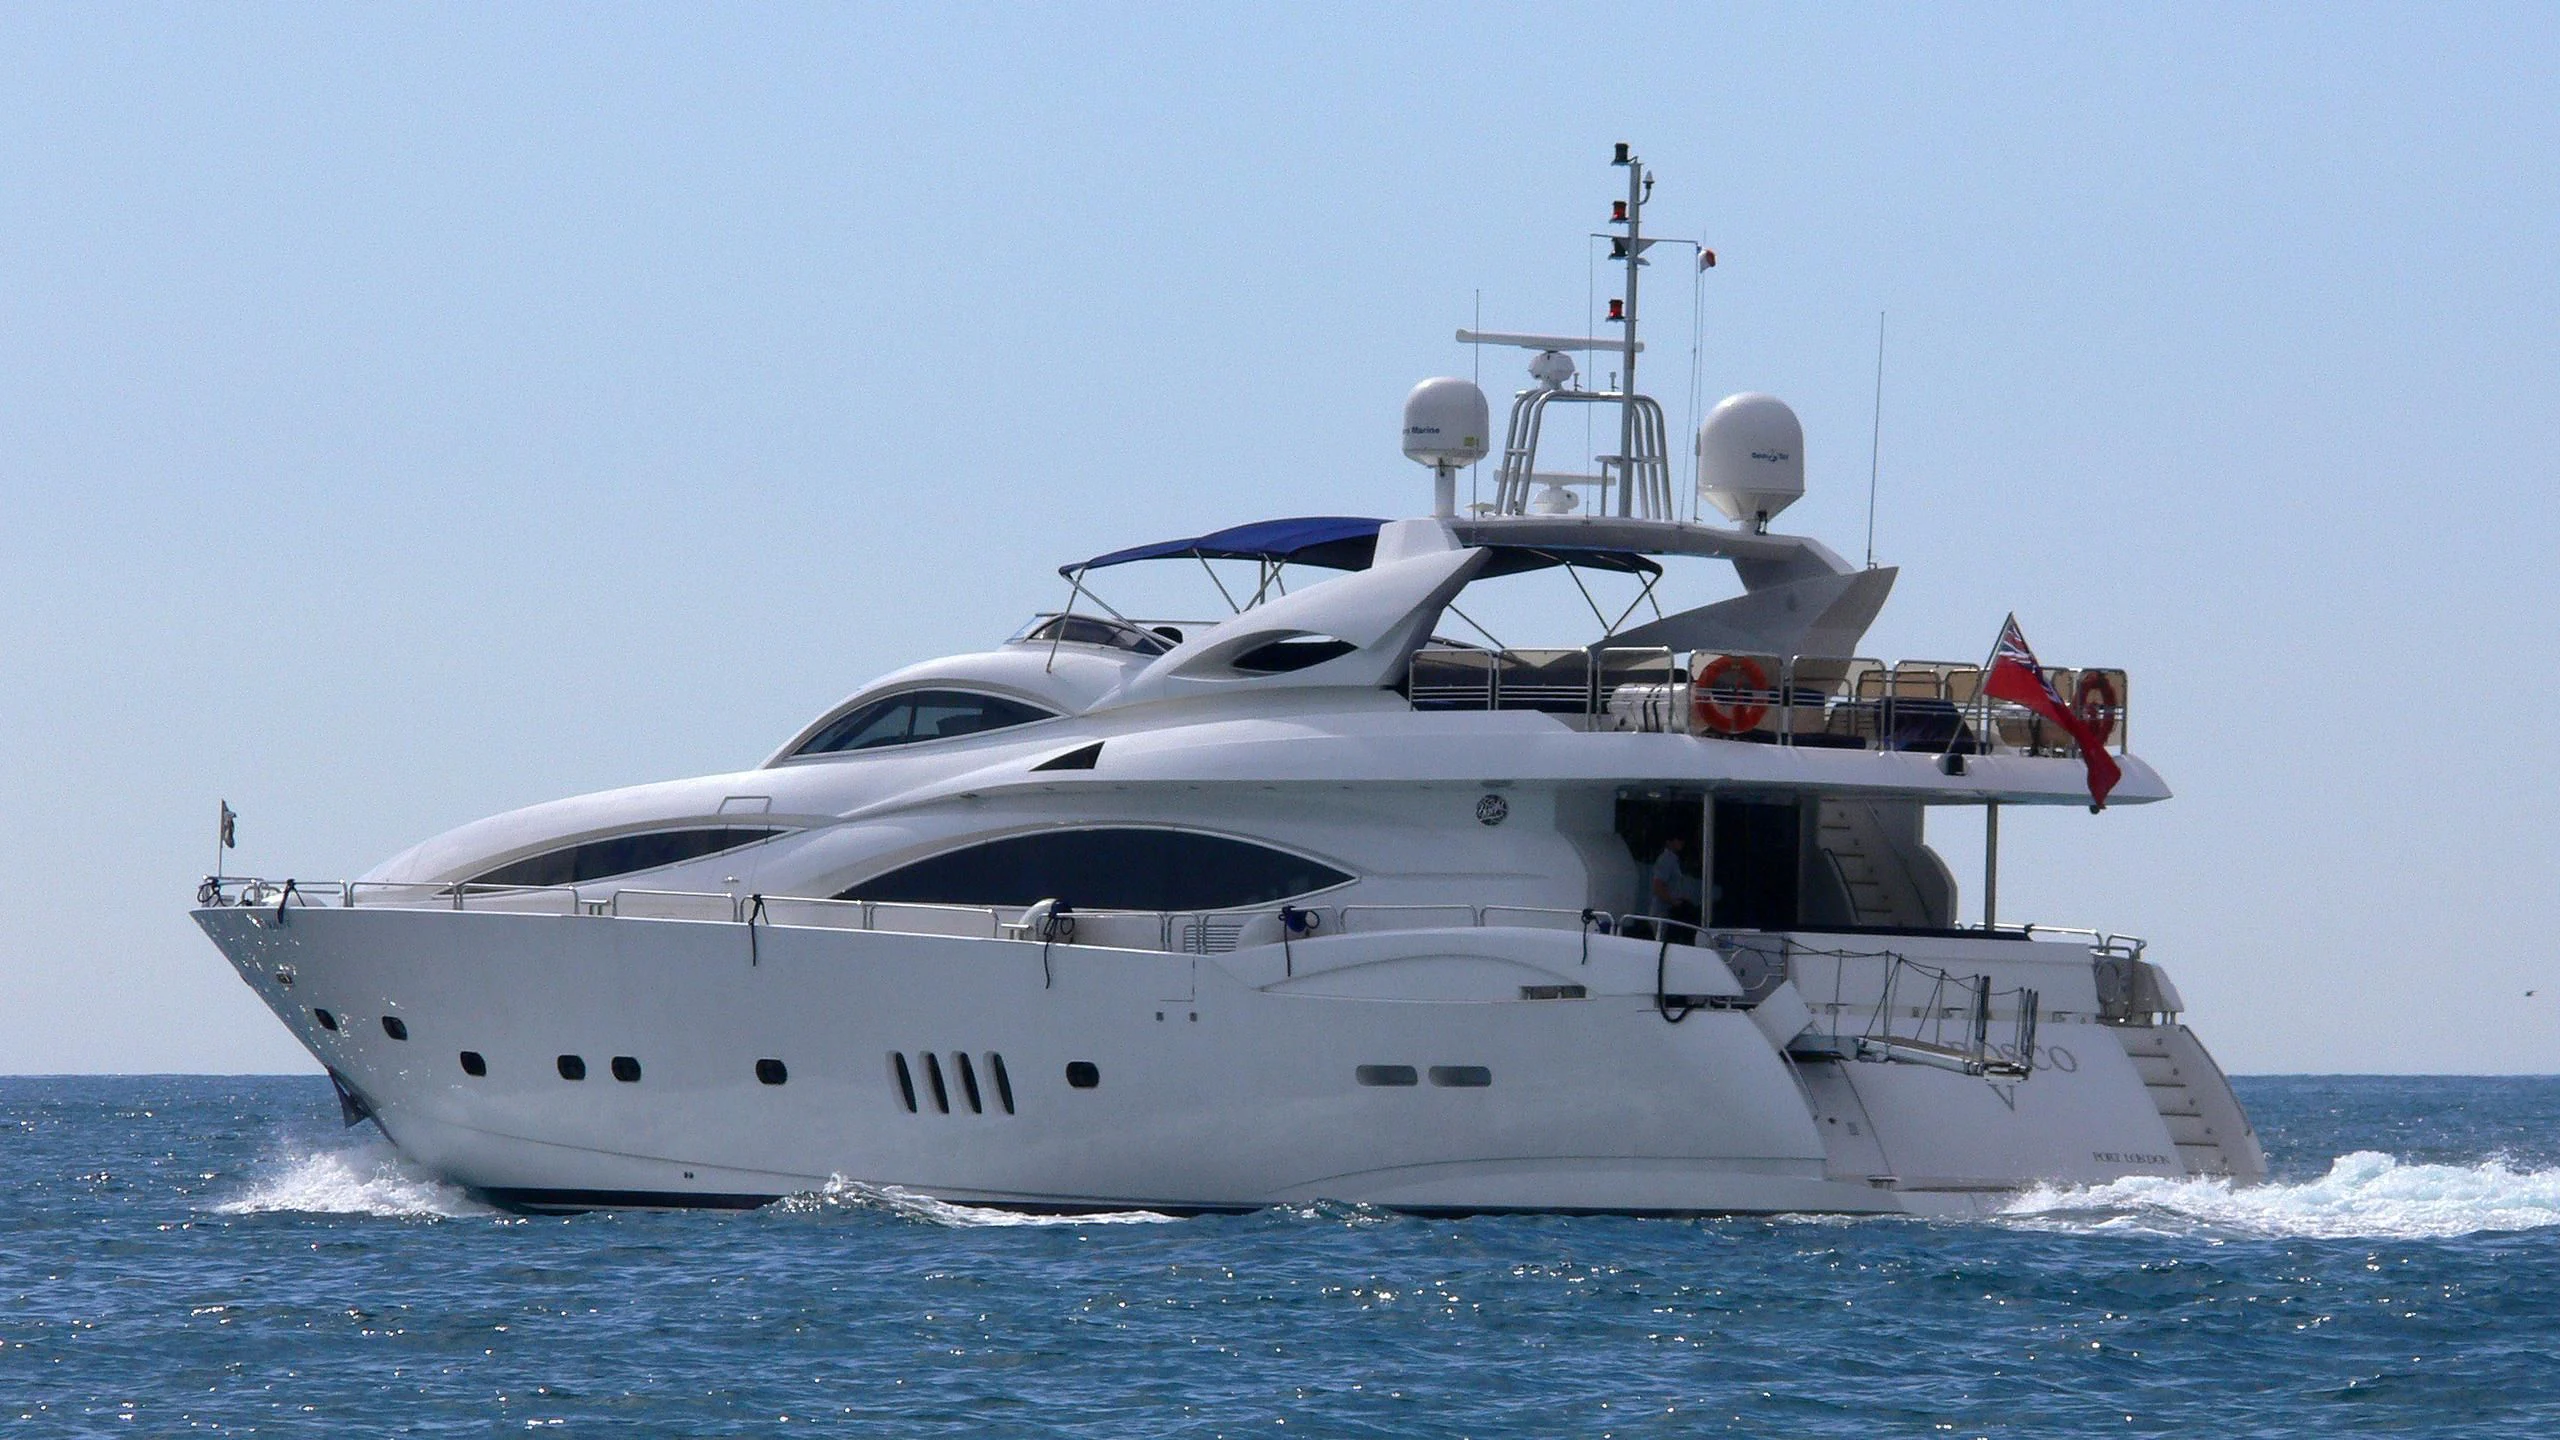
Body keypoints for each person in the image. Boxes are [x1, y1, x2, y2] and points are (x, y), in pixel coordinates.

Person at [1649, 830, 1704, 940]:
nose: (1681, 843)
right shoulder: (1666, 859)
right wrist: (1675, 902)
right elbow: (1658, 886)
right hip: (1663, 914)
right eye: (1678, 840)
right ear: (1669, 842)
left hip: (1671, 914)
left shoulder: (1674, 860)